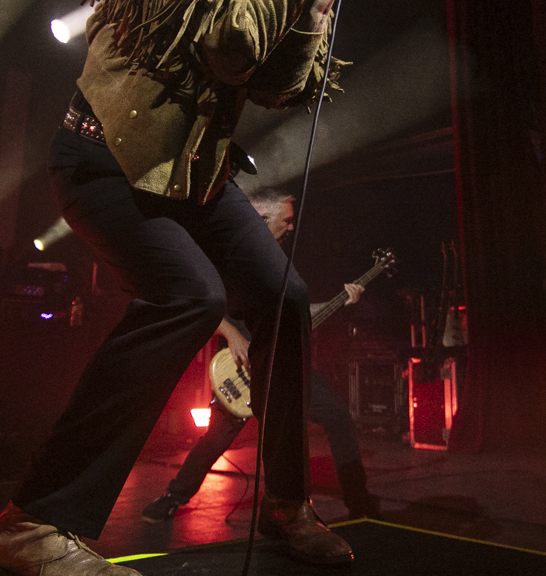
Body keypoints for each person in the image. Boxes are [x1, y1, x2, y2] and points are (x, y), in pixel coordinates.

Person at [0, 0, 376, 576]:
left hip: (189, 174)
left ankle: (284, 504)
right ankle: (34, 522)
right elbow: (228, 48)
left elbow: (277, 85)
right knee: (188, 295)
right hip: (107, 158)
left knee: (284, 300)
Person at [141, 188, 378, 524]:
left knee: (337, 416)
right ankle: (173, 497)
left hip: (282, 363)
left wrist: (340, 302)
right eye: (287, 220)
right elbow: (199, 301)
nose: (292, 227)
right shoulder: (228, 253)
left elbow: (292, 310)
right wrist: (232, 334)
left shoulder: (279, 259)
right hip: (241, 364)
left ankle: (357, 499)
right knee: (217, 437)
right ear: (263, 219)